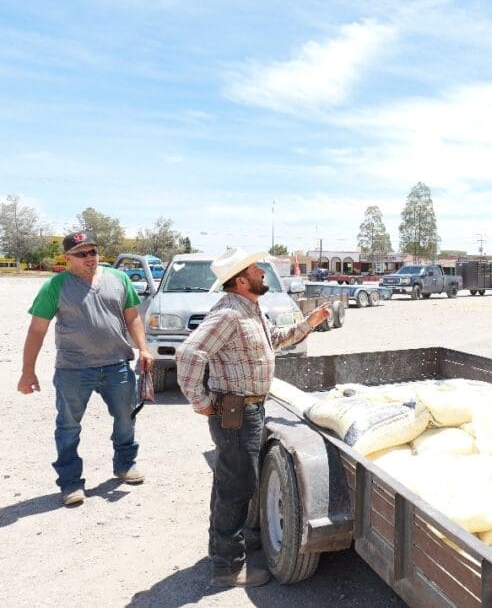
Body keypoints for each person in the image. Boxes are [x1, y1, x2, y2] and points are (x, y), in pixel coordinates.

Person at [175, 248, 332, 588]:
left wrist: (309, 323)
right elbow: (189, 352)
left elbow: (274, 341)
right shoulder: (230, 313)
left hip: (248, 408)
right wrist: (199, 400)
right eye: (257, 268)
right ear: (241, 279)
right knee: (236, 486)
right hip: (234, 411)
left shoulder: (250, 310)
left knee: (235, 480)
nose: (263, 271)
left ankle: (231, 544)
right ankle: (228, 567)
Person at [17, 230, 154, 506]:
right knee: (68, 426)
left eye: (93, 251)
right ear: (68, 258)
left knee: (126, 417)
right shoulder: (55, 286)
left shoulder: (119, 279)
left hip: (116, 365)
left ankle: (125, 464)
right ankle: (70, 482)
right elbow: (37, 330)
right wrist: (28, 370)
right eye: (81, 254)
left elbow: (133, 319)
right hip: (73, 370)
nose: (90, 258)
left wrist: (143, 348)